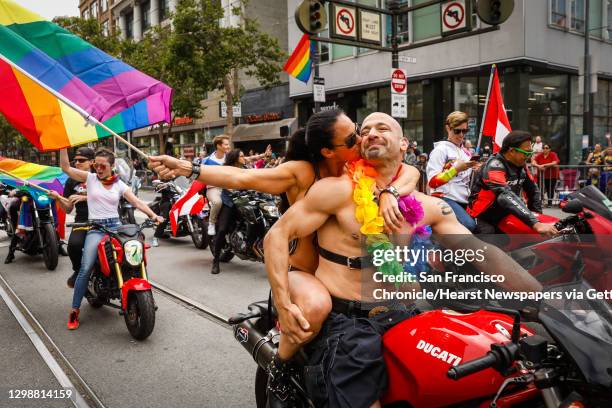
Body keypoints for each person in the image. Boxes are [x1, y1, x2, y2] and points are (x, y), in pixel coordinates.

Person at [263, 112, 542, 408]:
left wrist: (541, 299)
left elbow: (482, 252)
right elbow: (276, 237)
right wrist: (284, 304)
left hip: (407, 312)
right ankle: (279, 370)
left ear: (404, 144)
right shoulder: (336, 190)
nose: (371, 133)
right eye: (365, 129)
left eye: (382, 128)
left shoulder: (427, 205)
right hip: (350, 320)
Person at [148, 109, 421, 405]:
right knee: (316, 306)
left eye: (358, 129)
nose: (362, 138)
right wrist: (187, 168)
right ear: (329, 150)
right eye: (354, 137)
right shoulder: (304, 172)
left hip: (346, 279)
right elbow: (241, 177)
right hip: (304, 271)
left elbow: (409, 171)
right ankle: (279, 366)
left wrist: (390, 192)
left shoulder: (356, 167)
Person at [59, 147, 163, 330]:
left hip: (116, 226)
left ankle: (146, 297)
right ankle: (74, 310)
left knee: (136, 258)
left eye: (103, 166)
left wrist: (154, 216)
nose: (98, 168)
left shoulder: (119, 184)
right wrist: (62, 145)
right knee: (85, 267)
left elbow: (137, 202)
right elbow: (66, 168)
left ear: (112, 166)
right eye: (96, 165)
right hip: (96, 228)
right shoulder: (90, 179)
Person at [467, 131, 558, 236]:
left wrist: (537, 220)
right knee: (491, 237)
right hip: (482, 216)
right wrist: (536, 224)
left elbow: (533, 192)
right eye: (525, 153)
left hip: (504, 214)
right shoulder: (494, 166)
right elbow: (504, 195)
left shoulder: (521, 165)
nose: (528, 156)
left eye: (530, 153)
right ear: (511, 151)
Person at [49, 147, 94, 287]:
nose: (77, 163)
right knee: (73, 246)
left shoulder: (100, 175)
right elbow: (68, 209)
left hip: (104, 219)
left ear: (92, 162)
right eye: (75, 160)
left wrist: (85, 197)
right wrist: (58, 199)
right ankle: (78, 270)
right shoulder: (70, 181)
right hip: (82, 221)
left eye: (81, 160)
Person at [427, 111, 479, 232]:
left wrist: (477, 170)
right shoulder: (440, 150)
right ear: (448, 128)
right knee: (469, 226)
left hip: (465, 199)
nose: (461, 135)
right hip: (444, 198)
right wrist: (455, 169)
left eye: (464, 131)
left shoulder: (466, 152)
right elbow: (432, 182)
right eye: (457, 131)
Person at [211, 149, 246, 274]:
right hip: (229, 202)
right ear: (235, 158)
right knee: (222, 229)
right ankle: (215, 261)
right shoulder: (226, 169)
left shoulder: (245, 168)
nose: (244, 157)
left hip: (243, 201)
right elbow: (223, 183)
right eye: (242, 156)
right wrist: (232, 190)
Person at [202, 135, 231, 236]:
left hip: (229, 188)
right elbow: (198, 175)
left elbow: (245, 159)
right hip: (213, 188)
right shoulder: (206, 161)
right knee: (217, 202)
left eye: (228, 144)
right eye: (226, 144)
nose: (228, 146)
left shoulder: (229, 157)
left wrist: (263, 156)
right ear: (219, 146)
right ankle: (211, 223)